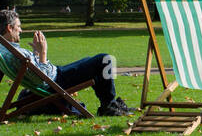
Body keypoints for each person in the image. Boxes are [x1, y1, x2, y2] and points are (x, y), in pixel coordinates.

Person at [0, 8, 132, 116]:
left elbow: (33, 71)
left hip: (56, 75)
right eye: (18, 27)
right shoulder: (14, 53)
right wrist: (43, 52)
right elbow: (42, 80)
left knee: (91, 60)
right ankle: (109, 105)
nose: (21, 30)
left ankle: (108, 103)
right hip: (55, 81)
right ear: (9, 28)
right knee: (105, 59)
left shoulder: (4, 50)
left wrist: (36, 53)